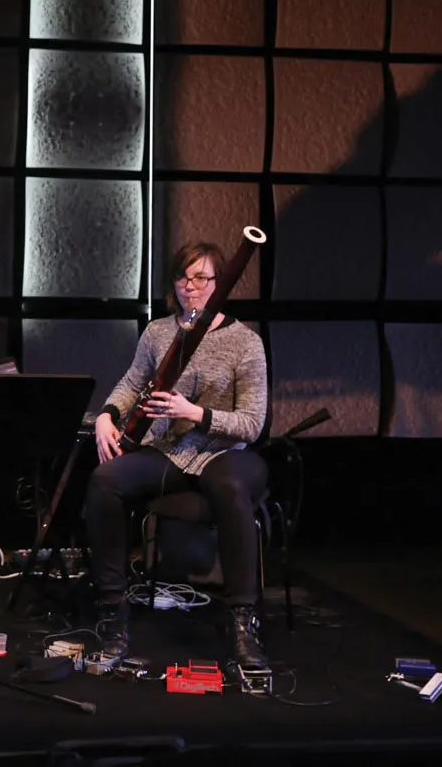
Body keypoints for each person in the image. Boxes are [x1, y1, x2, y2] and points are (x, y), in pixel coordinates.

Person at [81, 240, 272, 669]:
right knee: (105, 481)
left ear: (219, 283)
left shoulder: (246, 342)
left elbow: (252, 423)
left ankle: (243, 622)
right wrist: (107, 415)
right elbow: (132, 383)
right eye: (184, 277)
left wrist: (196, 413)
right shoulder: (159, 331)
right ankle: (113, 614)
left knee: (228, 485)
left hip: (225, 452)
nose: (191, 286)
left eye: (202, 277)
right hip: (170, 451)